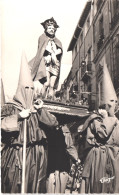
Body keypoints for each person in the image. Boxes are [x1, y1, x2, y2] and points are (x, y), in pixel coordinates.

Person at [1, 53, 59, 193]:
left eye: (31, 89)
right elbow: (2, 124)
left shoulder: (37, 108)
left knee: (35, 187)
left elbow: (53, 123)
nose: (29, 92)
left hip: (37, 156)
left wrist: (41, 111)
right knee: (14, 185)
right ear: (19, 90)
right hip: (16, 155)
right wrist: (19, 116)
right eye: (26, 89)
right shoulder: (11, 108)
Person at [79, 63, 119, 193]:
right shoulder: (96, 119)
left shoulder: (117, 121)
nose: (114, 105)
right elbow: (103, 134)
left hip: (116, 160)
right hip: (101, 160)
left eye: (116, 102)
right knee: (102, 187)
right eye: (111, 102)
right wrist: (108, 118)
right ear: (104, 103)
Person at [29, 17, 63, 99]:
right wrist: (50, 54)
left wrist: (55, 53)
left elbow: (60, 50)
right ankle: (41, 99)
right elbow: (42, 48)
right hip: (46, 64)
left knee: (52, 85)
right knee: (46, 83)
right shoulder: (42, 37)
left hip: (55, 65)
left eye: (53, 28)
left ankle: (50, 100)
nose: (52, 29)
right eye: (49, 28)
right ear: (46, 29)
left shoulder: (57, 41)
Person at [45, 123, 80, 193]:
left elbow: (70, 146)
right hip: (50, 165)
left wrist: (76, 159)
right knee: (50, 188)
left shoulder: (65, 131)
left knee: (60, 188)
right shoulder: (46, 129)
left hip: (62, 165)